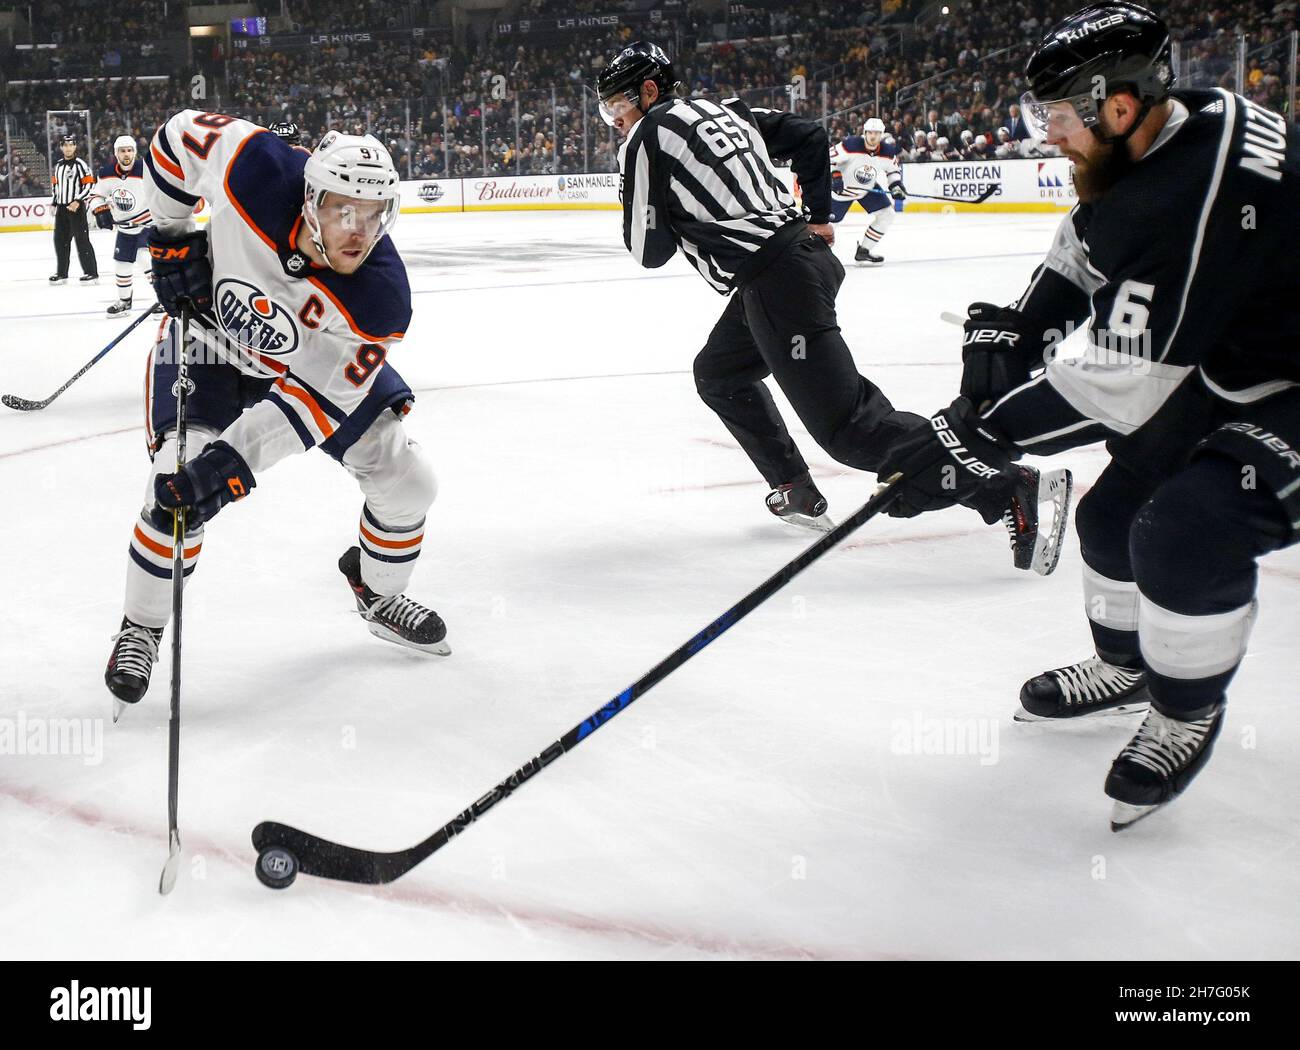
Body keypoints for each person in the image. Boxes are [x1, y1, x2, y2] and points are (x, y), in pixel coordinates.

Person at [876, 2, 1300, 829]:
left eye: (1061, 116)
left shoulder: (1195, 197)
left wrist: (977, 435)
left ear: (1118, 106)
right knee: (1114, 514)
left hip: (1280, 383)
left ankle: (1185, 708)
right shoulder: (1178, 129)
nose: (1049, 133)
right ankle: (1128, 667)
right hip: (1240, 362)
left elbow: (1124, 383)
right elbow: (1086, 241)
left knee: (1185, 528)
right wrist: (1025, 320)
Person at [597, 42, 1069, 573]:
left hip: (775, 280)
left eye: (617, 105)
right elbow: (809, 136)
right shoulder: (728, 111)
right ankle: (793, 486)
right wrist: (819, 215)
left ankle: (1004, 486)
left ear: (649, 91)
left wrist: (662, 201)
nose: (616, 120)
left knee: (851, 429)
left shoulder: (645, 136)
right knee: (719, 373)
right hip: (795, 261)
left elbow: (648, 251)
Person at [104, 112, 448, 712]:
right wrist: (171, 233)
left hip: (308, 368)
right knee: (171, 488)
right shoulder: (256, 166)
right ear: (311, 196)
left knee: (409, 479)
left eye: (373, 214)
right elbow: (178, 135)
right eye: (345, 209)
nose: (359, 230)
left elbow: (314, 403)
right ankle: (142, 626)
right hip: (207, 341)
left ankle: (376, 589)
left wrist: (231, 466)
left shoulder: (380, 298)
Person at [828, 116, 906, 267]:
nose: (873, 136)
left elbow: (893, 171)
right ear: (865, 132)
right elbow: (829, 159)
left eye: (876, 133)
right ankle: (816, 256)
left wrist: (895, 185)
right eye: (870, 132)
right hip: (842, 190)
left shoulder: (888, 152)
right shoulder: (850, 145)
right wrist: (836, 177)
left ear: (881, 135)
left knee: (887, 214)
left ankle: (864, 251)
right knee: (830, 225)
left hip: (867, 188)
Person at [89, 134, 150, 316]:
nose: (126, 154)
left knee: (145, 259)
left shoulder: (146, 170)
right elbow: (96, 195)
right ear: (116, 153)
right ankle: (124, 302)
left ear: (135, 152)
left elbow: (160, 193)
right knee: (122, 265)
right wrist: (100, 210)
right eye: (122, 151)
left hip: (147, 225)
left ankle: (163, 301)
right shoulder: (106, 173)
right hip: (125, 228)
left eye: (130, 150)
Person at [48, 134, 99, 285]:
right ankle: (62, 274)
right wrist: (54, 202)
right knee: (60, 241)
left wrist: (78, 200)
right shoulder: (58, 166)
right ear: (61, 147)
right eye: (65, 145)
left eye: (71, 145)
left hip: (76, 207)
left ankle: (92, 273)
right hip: (62, 208)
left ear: (75, 146)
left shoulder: (81, 165)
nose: (68, 148)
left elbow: (89, 185)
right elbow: (55, 186)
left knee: (82, 240)